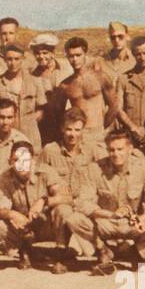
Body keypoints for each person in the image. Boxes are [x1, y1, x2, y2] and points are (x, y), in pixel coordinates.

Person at [83, 129, 145, 273]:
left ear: (130, 148)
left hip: (134, 223)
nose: (116, 154)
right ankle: (103, 250)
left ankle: (136, 254)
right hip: (106, 222)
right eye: (111, 150)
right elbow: (83, 203)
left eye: (120, 149)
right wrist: (109, 215)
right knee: (75, 219)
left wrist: (143, 218)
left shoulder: (144, 167)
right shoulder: (95, 168)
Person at [37, 110, 101, 274]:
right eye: (69, 129)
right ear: (62, 129)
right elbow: (39, 179)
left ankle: (101, 250)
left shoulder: (92, 150)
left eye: (77, 130)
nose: (73, 134)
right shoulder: (50, 150)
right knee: (62, 210)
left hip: (86, 202)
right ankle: (61, 252)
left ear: (83, 130)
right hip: (61, 202)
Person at [0, 140, 57, 270]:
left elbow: (66, 196)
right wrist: (13, 214)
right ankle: (26, 250)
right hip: (22, 226)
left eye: (25, 160)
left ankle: (61, 254)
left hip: (46, 223)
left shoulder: (45, 172)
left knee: (63, 212)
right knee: (0, 226)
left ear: (33, 160)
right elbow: (1, 209)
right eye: (16, 160)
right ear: (10, 161)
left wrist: (44, 200)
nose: (21, 164)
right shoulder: (5, 178)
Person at [57, 36, 121, 158]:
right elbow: (59, 113)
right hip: (78, 135)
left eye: (78, 55)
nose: (75, 59)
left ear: (85, 54)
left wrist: (102, 126)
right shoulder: (65, 85)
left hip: (98, 132)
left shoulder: (100, 77)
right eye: (71, 56)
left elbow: (114, 104)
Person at [0, 43, 45, 143]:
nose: (13, 63)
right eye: (9, 59)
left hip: (30, 135)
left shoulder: (35, 81)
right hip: (5, 135)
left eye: (17, 59)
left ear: (23, 59)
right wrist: (1, 123)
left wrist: (30, 122)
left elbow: (41, 110)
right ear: (5, 60)